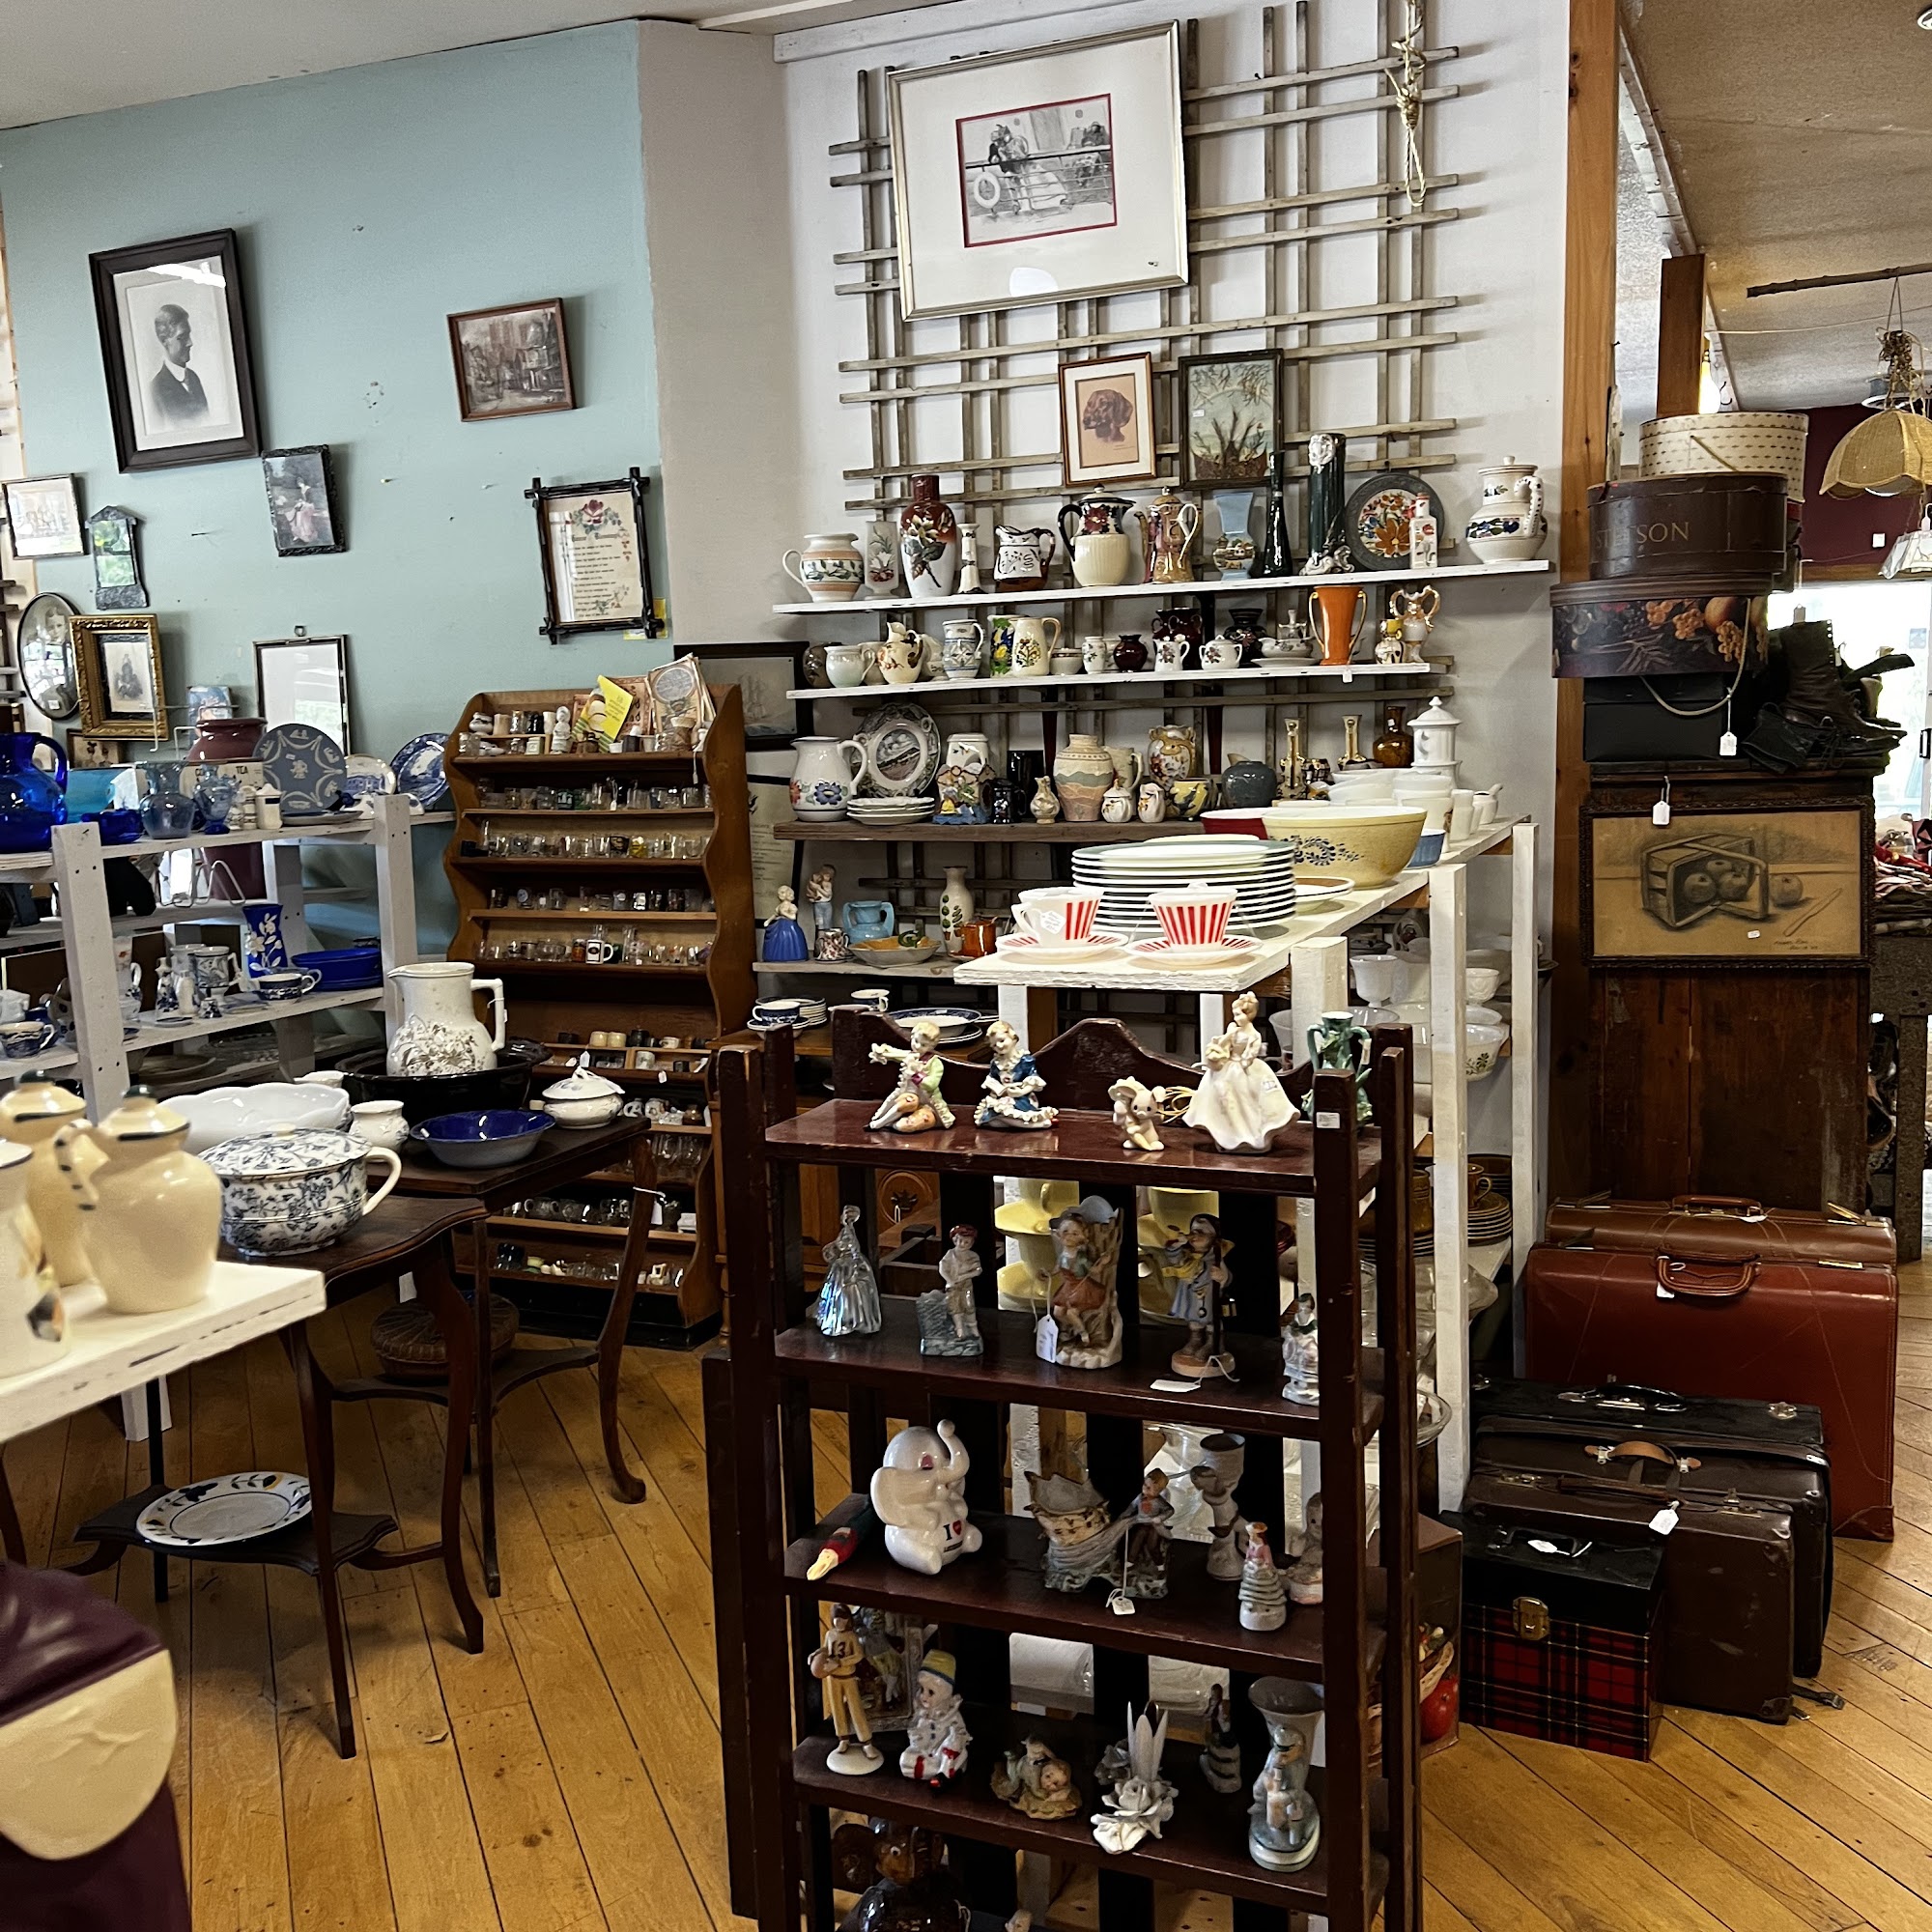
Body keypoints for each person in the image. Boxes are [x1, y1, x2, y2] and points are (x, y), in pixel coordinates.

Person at [147, 303, 208, 424]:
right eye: (182, 337)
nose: (190, 343)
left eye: (188, 335)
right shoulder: (155, 390)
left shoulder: (193, 378)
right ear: (164, 340)